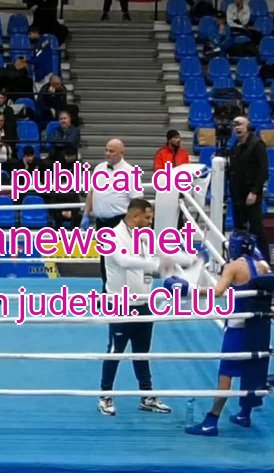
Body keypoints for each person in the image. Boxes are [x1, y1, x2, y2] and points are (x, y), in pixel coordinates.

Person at [98, 198, 193, 416]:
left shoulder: (144, 236)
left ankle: (147, 395)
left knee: (142, 352)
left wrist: (189, 260)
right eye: (147, 217)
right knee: (115, 352)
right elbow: (124, 261)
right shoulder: (111, 236)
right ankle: (105, 395)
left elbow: (162, 253)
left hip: (143, 303)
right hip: (120, 305)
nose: (150, 222)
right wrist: (155, 264)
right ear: (135, 216)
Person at [185, 231, 271, 436]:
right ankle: (245, 414)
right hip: (259, 328)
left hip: (237, 329)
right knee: (252, 370)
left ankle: (211, 421)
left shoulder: (233, 267)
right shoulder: (263, 267)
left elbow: (217, 292)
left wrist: (188, 289)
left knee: (225, 376)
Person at [83, 139, 144, 292]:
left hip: (120, 221)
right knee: (105, 259)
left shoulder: (130, 172)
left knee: (121, 259)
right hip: (101, 222)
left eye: (112, 151)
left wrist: (133, 225)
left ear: (122, 153)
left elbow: (137, 201)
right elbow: (92, 192)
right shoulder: (99, 168)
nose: (107, 154)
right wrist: (85, 214)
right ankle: (107, 291)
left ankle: (125, 293)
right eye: (106, 150)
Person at [227, 117, 269, 259]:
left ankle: (265, 260)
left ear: (248, 127)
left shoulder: (257, 144)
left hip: (251, 193)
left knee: (256, 228)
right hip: (237, 193)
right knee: (239, 229)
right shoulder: (235, 145)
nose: (237, 128)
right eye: (235, 125)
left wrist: (254, 191)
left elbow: (263, 171)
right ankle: (241, 260)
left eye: (240, 125)